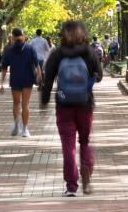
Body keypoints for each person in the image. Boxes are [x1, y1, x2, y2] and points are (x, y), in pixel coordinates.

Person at [41, 20, 103, 197]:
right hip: (85, 104)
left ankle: (71, 185)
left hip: (64, 104)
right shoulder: (89, 52)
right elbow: (99, 77)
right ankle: (87, 168)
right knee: (84, 141)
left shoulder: (57, 54)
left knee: (68, 145)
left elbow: (47, 81)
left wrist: (44, 102)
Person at [0, 27, 42, 137]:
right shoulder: (30, 48)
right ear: (23, 36)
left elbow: (4, 68)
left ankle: (17, 125)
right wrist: (39, 79)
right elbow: (37, 66)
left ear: (12, 37)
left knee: (16, 103)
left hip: (15, 80)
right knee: (25, 104)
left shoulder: (8, 50)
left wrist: (2, 83)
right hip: (27, 80)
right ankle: (25, 129)